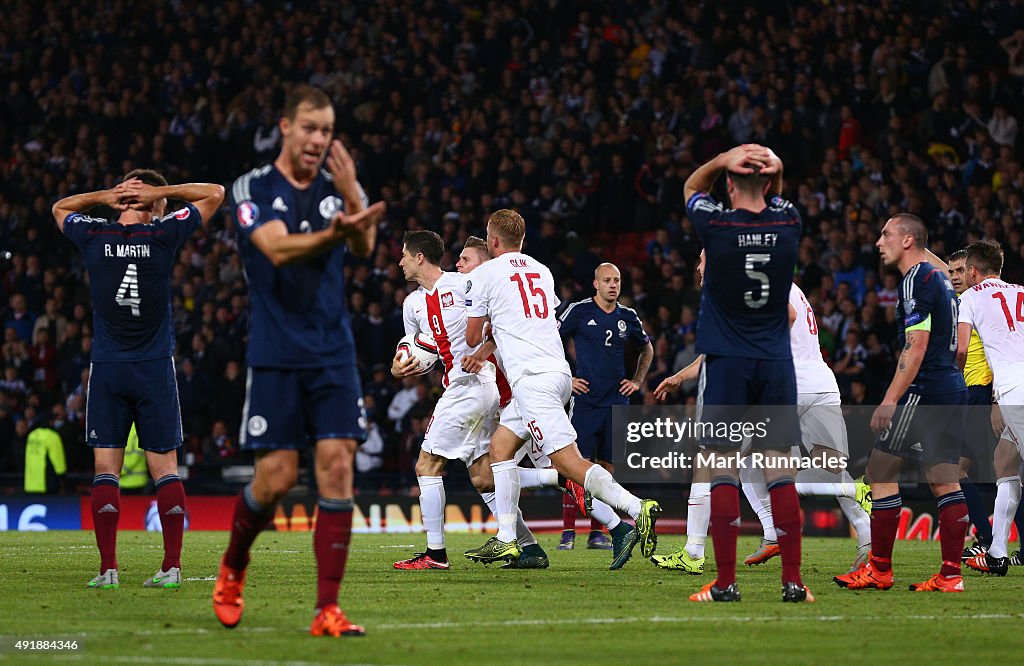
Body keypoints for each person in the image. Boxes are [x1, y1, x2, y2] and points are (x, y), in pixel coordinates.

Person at [213, 85, 386, 636]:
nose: (319, 139)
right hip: (276, 351)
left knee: (338, 468)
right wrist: (334, 232)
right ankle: (234, 564)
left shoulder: (338, 188)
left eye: (327, 130)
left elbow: (364, 248)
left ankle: (326, 610)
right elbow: (276, 248)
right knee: (276, 479)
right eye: (310, 127)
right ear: (286, 127)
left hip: (333, 352)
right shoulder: (253, 187)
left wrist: (354, 198)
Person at [52, 169, 224, 590]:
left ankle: (108, 569)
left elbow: (60, 207)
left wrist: (108, 196)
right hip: (153, 367)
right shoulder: (164, 236)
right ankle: (171, 567)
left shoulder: (94, 236)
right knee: (165, 471)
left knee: (105, 472)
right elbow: (215, 192)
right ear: (153, 204)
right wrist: (158, 193)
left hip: (108, 367)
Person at [461, 209, 661, 570]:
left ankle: (635, 508)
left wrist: (491, 323)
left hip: (532, 379)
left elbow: (472, 337)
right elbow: (544, 320)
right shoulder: (542, 270)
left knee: (567, 463)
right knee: (500, 449)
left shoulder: (485, 274)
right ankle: (509, 539)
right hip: (554, 373)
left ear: (492, 241)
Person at [679, 144, 807, 603]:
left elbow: (693, 185)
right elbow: (780, 196)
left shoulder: (715, 225)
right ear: (771, 185)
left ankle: (726, 583)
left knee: (720, 468)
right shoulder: (788, 223)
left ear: (729, 183)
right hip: (775, 361)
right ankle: (793, 582)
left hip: (728, 361)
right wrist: (777, 166)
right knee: (780, 470)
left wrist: (722, 158)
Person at [391, 232, 553, 571]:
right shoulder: (412, 304)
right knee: (483, 477)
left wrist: (481, 353)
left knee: (426, 465)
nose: (400, 261)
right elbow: (418, 350)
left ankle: (435, 554)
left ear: (420, 257)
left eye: (404, 255)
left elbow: (496, 321)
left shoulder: (461, 285)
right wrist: (401, 365)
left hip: (470, 385)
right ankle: (535, 534)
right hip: (469, 387)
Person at [834, 214, 969, 593]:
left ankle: (879, 569)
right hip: (950, 386)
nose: (879, 242)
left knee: (879, 469)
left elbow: (917, 344)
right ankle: (950, 575)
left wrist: (891, 399)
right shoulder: (941, 279)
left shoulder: (915, 280)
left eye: (886, 234)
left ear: (908, 241)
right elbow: (957, 346)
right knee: (943, 480)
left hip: (924, 389)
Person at [555, 262, 653, 550]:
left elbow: (647, 348)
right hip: (585, 401)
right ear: (595, 284)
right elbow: (550, 339)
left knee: (607, 467)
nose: (613, 285)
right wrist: (567, 378)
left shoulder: (628, 316)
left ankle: (597, 533)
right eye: (607, 280)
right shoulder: (579, 311)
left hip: (616, 400)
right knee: (575, 467)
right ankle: (568, 532)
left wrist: (636, 380)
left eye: (617, 280)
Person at [956, 241, 1024, 577]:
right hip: (1014, 386)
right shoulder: (1021, 292)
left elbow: (963, 348)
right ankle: (996, 554)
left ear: (972, 271)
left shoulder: (970, 298)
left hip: (1014, 388)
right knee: (1005, 461)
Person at [946, 249, 997, 558]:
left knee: (997, 470)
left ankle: (988, 538)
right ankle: (988, 537)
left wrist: (994, 398)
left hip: (981, 391)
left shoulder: (977, 302)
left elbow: (991, 350)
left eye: (960, 271)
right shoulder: (969, 302)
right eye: (951, 272)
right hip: (972, 393)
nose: (954, 276)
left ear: (974, 272)